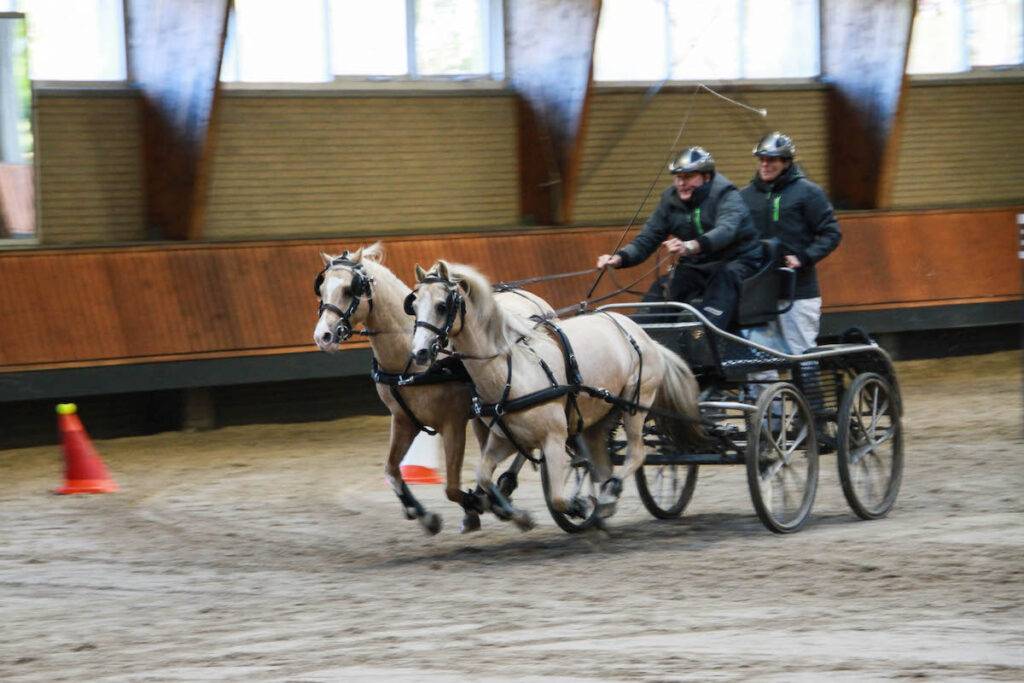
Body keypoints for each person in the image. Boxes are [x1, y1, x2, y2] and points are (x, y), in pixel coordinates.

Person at [596, 146, 762, 330]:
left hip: (737, 261)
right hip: (698, 264)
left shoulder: (726, 195)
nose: (681, 183)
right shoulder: (670, 200)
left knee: (723, 282)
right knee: (664, 291)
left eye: (688, 177)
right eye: (678, 177)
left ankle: (705, 336)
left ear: (706, 177)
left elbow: (726, 230)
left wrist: (690, 246)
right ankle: (644, 334)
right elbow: (648, 237)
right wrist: (619, 258)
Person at [738, 132, 841, 353]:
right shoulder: (745, 196)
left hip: (798, 291)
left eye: (771, 160)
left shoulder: (809, 193)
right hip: (757, 292)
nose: (765, 164)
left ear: (786, 162)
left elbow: (831, 233)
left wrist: (804, 257)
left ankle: (807, 378)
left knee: (801, 353)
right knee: (759, 357)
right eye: (762, 159)